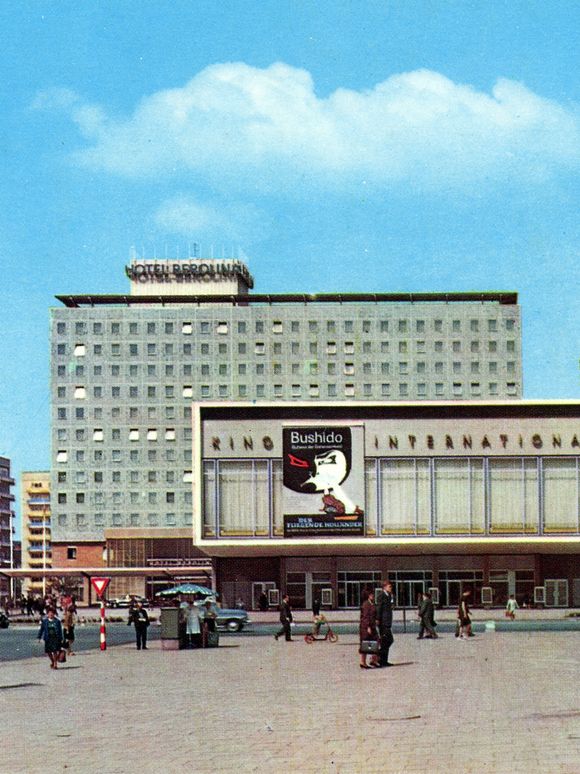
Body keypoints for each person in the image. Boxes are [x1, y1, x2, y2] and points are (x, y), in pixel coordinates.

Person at [376, 580, 395, 667]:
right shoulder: (381, 596)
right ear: (384, 587)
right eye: (389, 586)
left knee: (386, 641)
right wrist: (378, 619)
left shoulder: (389, 595)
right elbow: (379, 608)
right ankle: (378, 656)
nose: (391, 588)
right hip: (383, 622)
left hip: (387, 621)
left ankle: (383, 660)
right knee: (388, 640)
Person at [359, 590, 380, 669]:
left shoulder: (371, 604)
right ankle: (363, 662)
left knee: (375, 642)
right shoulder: (366, 604)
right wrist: (368, 627)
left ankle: (373, 660)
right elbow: (365, 616)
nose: (373, 596)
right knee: (365, 644)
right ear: (368, 596)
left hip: (372, 626)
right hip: (366, 627)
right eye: (371, 595)